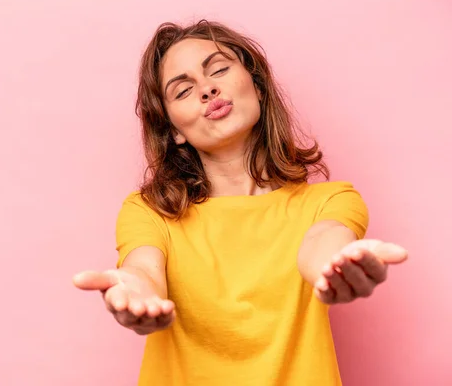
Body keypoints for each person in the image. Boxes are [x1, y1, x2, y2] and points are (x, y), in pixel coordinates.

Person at [72, 20, 408, 386]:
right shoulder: (149, 211)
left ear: (258, 87)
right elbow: (144, 270)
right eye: (183, 91)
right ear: (174, 131)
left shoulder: (331, 200)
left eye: (218, 69)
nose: (207, 89)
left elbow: (322, 244)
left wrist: (339, 265)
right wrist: (135, 290)